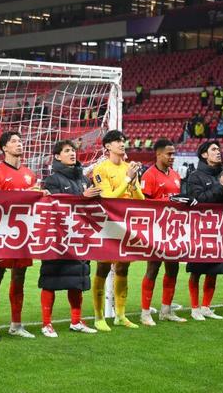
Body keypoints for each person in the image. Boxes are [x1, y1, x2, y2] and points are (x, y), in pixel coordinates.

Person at [40, 140, 100, 337]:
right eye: (67, 151)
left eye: (73, 150)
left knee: (77, 280)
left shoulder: (83, 179)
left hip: (79, 237)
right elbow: (54, 206)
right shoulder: (52, 180)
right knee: (50, 280)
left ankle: (76, 321)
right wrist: (82, 196)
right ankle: (46, 324)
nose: (72, 153)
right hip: (57, 239)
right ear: (57, 156)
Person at [0, 131, 42, 341]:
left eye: (20, 141)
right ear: (4, 148)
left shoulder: (29, 174)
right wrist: (26, 194)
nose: (19, 144)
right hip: (1, 232)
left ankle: (16, 324)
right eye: (14, 141)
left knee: (19, 277)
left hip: (23, 232)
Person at [91, 130, 145, 331]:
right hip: (107, 224)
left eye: (123, 141)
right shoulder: (100, 169)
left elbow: (141, 199)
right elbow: (108, 199)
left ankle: (120, 316)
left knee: (123, 268)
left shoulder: (129, 168)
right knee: (103, 268)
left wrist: (134, 182)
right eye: (116, 141)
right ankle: (99, 317)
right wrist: (127, 180)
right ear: (107, 146)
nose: (122, 144)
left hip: (126, 224)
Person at [185, 141, 223, 321]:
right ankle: (194, 308)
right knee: (196, 270)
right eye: (214, 149)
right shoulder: (195, 176)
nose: (218, 152)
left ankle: (206, 307)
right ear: (204, 155)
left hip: (220, 229)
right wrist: (220, 186)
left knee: (214, 270)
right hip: (201, 230)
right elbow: (199, 201)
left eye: (218, 149)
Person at [139, 138, 187, 325]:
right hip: (156, 229)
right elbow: (144, 204)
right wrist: (168, 202)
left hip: (173, 229)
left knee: (173, 268)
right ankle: (145, 312)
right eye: (169, 153)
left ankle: (166, 311)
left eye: (173, 153)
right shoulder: (149, 175)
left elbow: (178, 200)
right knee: (153, 268)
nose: (172, 157)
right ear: (158, 154)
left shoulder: (175, 175)